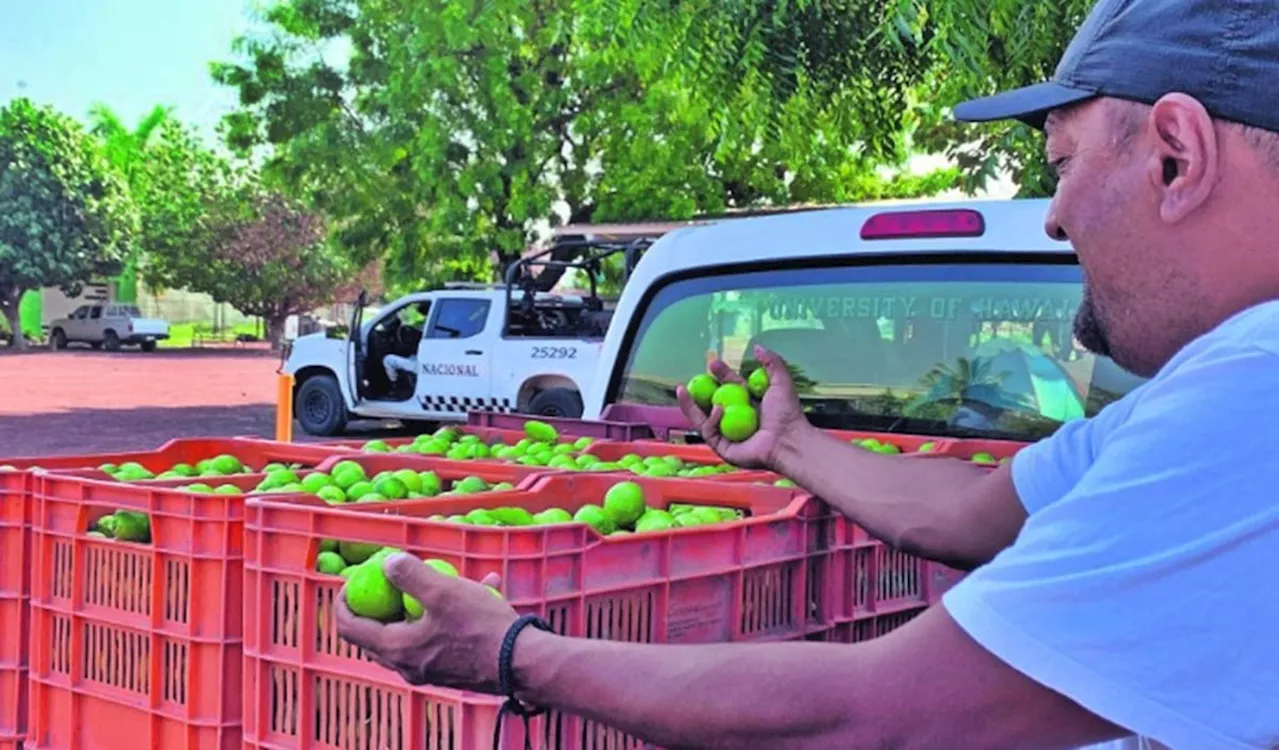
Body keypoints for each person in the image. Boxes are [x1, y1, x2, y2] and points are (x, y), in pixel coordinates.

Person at [336, 0, 1280, 746]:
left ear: (1175, 155)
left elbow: (883, 717)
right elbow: (968, 514)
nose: (1053, 217)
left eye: (1063, 165)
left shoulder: (1258, 388)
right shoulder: (1219, 384)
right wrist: (787, 441)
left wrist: (512, 654)